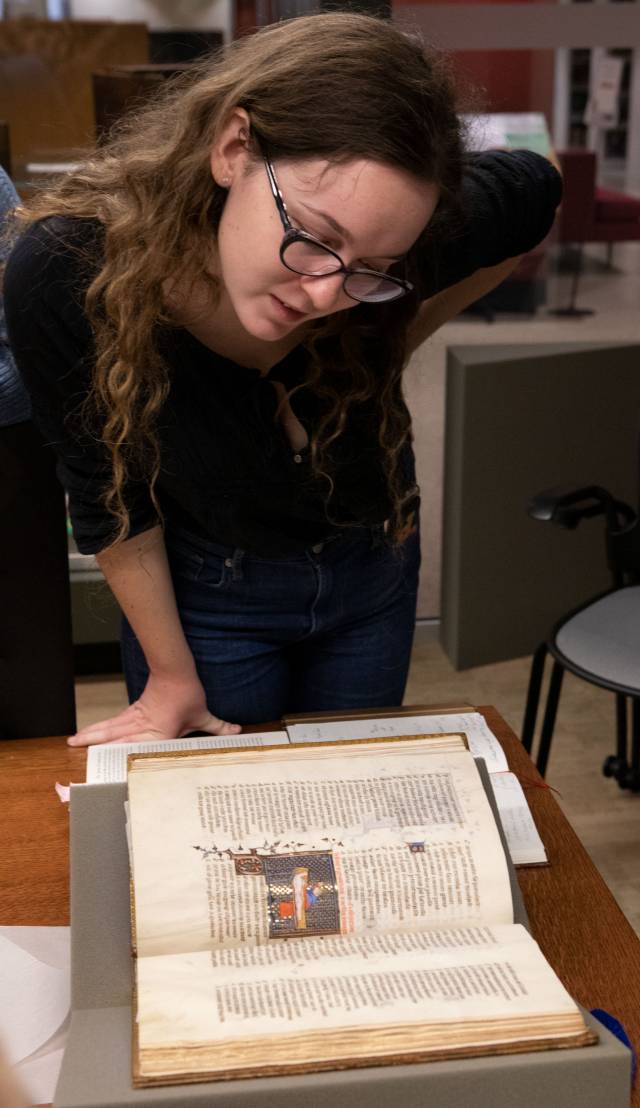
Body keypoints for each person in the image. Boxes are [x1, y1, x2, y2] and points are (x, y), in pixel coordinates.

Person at [4, 13, 562, 746]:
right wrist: (173, 679)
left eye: (374, 268)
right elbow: (108, 495)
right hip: (207, 596)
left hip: (374, 568)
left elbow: (534, 186)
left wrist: (404, 321)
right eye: (315, 238)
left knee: (348, 803)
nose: (327, 296)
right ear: (234, 148)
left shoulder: (393, 237)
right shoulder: (71, 270)